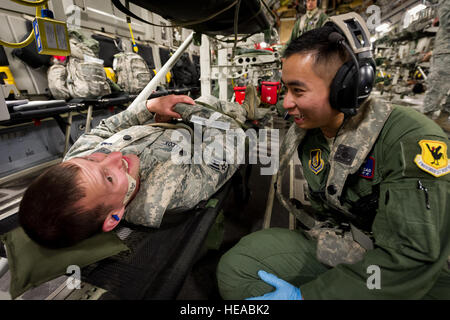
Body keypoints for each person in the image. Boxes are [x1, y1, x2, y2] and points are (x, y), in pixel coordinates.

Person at [217, 13, 450, 300]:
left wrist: (310, 296)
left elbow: (413, 258)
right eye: (285, 88)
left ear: (345, 89)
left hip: (418, 273)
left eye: (297, 90)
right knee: (239, 267)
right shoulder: (313, 132)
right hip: (359, 244)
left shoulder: (410, 140)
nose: (286, 102)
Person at [18, 90, 261, 249]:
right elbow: (230, 138)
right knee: (219, 104)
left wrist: (150, 106)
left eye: (95, 160)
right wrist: (185, 109)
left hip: (160, 121)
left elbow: (103, 130)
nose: (114, 156)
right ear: (114, 216)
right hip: (205, 125)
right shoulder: (172, 193)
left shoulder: (77, 164)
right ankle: (247, 107)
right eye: (110, 177)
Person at [423, 0, 450, 133]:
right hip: (447, 52)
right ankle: (425, 121)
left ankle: (443, 118)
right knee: (437, 89)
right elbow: (447, 21)